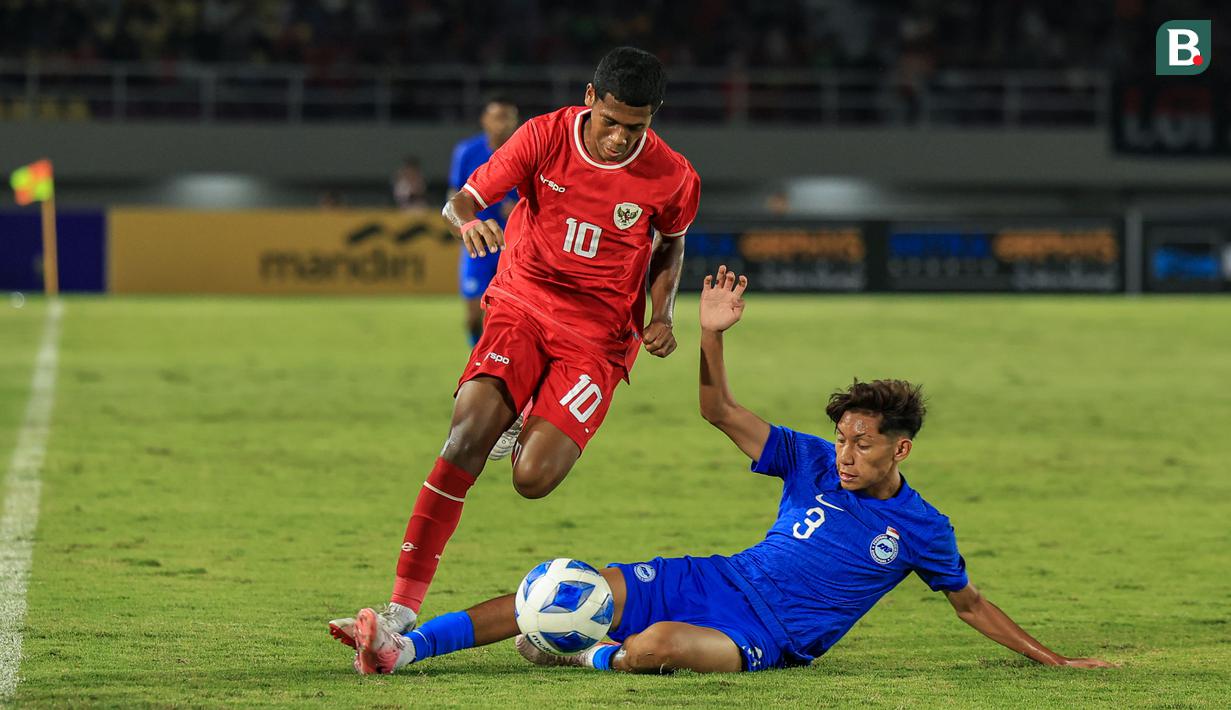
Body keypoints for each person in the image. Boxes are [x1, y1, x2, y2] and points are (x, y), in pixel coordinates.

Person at [345, 266, 1117, 675]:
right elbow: (719, 413)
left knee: (658, 650)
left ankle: (578, 648)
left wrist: (1052, 659)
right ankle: (406, 650)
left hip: (769, 635)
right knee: (559, 589)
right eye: (841, 440)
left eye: (862, 445)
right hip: (715, 578)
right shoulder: (809, 462)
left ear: (899, 450)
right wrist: (711, 338)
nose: (845, 454)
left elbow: (969, 605)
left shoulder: (922, 530)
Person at [329, 46, 700, 650]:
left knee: (532, 478)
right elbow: (463, 199)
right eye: (610, 122)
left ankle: (526, 414)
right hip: (522, 304)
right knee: (465, 437)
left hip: (598, 341)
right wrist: (468, 222)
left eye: (635, 127)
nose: (618, 139)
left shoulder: (674, 175)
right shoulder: (543, 137)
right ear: (590, 99)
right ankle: (400, 608)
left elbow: (668, 247)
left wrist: (664, 315)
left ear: (653, 117)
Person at [449, 95, 520, 347]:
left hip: (513, 248)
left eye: (508, 118)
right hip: (478, 247)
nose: (503, 124)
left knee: (510, 320)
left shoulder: (524, 152)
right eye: (498, 117)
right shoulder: (467, 152)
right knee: (472, 317)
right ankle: (476, 352)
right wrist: (463, 227)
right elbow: (454, 196)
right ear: (484, 120)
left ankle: (492, 365)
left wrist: (521, 210)